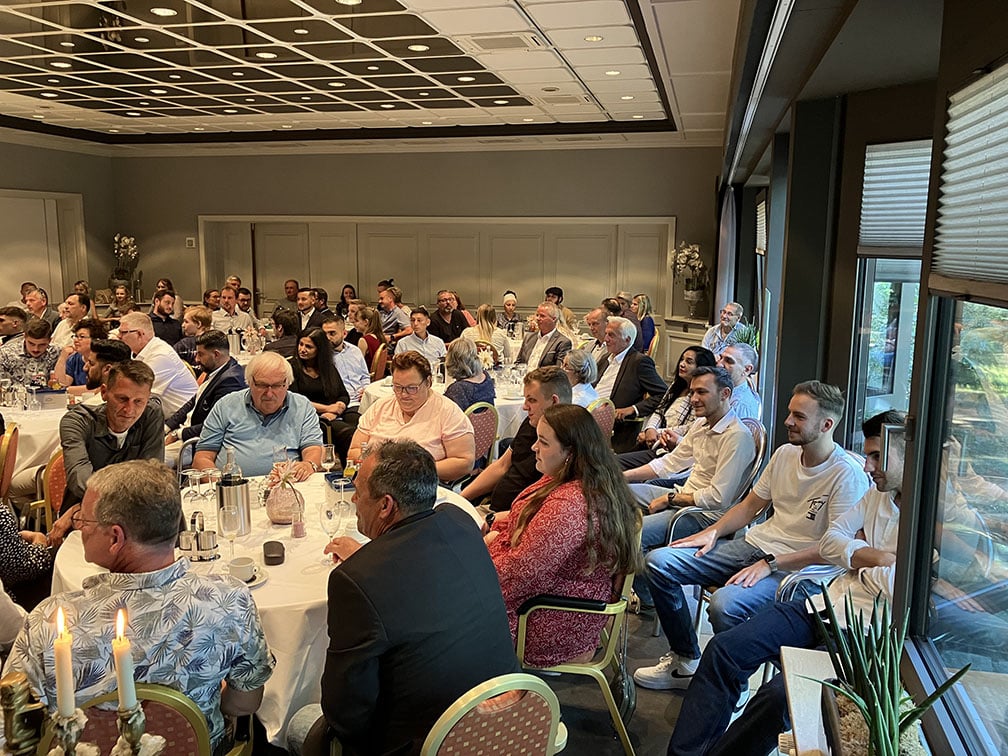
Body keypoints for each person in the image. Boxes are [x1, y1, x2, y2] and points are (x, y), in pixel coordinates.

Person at [665, 410, 907, 756]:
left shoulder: (925, 517)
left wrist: (857, 558)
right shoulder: (877, 495)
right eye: (867, 455)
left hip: (866, 633)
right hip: (825, 604)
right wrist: (877, 557)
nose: (868, 466)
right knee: (723, 650)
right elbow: (830, 543)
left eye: (877, 456)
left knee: (779, 694)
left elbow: (897, 587)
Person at [5, 459, 274, 754]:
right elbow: (245, 703)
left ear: (115, 538)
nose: (79, 528)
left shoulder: (51, 622)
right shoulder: (229, 599)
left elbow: (9, 732)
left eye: (83, 520)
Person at [634, 380, 870, 691]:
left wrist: (771, 564)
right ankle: (685, 659)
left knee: (724, 605)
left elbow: (833, 550)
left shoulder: (846, 475)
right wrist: (712, 532)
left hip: (798, 570)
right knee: (659, 562)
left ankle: (732, 683)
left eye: (799, 416)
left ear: (827, 425)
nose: (788, 421)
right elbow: (749, 506)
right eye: (790, 412)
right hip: (754, 546)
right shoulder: (785, 454)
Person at [289, 441, 518, 756]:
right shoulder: (461, 521)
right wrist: (369, 557)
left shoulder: (355, 581)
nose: (353, 499)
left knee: (300, 722)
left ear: (385, 505)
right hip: (510, 720)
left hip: (427, 744)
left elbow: (345, 715)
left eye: (358, 492)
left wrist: (366, 563)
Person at [486, 403, 642, 666]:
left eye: (544, 442)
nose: (534, 447)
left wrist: (478, 569)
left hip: (550, 616)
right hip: (552, 596)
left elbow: (524, 574)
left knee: (449, 607)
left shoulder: (570, 504)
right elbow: (525, 523)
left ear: (571, 452)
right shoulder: (572, 477)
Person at [624, 367, 757, 609]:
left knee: (632, 536)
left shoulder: (737, 437)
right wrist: (622, 477)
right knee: (617, 493)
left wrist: (670, 499)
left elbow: (717, 498)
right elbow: (669, 464)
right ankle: (615, 577)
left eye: (702, 392)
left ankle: (650, 599)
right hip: (683, 496)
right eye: (693, 392)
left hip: (704, 515)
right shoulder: (701, 425)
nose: (693, 398)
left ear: (725, 394)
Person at [51, 360, 164, 542]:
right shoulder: (76, 422)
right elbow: (81, 481)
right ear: (104, 392)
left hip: (134, 514)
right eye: (122, 399)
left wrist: (77, 509)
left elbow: (152, 479)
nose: (129, 410)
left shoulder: (151, 414)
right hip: (85, 517)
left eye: (138, 401)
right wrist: (78, 509)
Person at [194, 351, 323, 479]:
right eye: (262, 385)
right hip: (234, 487)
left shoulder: (302, 407)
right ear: (249, 382)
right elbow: (202, 457)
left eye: (277, 385)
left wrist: (308, 465)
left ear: (288, 383)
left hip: (288, 485)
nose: (269, 394)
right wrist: (222, 484)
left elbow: (313, 449)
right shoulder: (226, 405)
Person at [349, 351, 475, 482]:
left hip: (423, 484)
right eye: (398, 387)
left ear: (428, 382)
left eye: (412, 388)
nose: (403, 395)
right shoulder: (380, 407)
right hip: (375, 480)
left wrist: (413, 471)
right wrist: (380, 468)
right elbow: (354, 450)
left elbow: (464, 462)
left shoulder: (448, 411)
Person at [461, 366, 572, 513]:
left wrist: (493, 519)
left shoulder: (566, 441)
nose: (525, 407)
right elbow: (502, 465)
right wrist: (461, 499)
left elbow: (543, 504)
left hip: (511, 517)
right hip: (493, 508)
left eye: (532, 400)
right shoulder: (531, 423)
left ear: (554, 401)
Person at [618, 345, 717, 469]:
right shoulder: (676, 386)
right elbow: (659, 411)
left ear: (701, 367)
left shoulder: (701, 397)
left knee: (616, 464)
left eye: (689, 362)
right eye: (682, 359)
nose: (682, 364)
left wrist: (657, 433)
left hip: (671, 450)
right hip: (655, 442)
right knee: (610, 461)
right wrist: (650, 429)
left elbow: (690, 427)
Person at [594, 316, 668, 452]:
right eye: (606, 334)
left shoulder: (639, 362)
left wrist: (633, 409)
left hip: (614, 426)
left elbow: (663, 394)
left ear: (627, 340)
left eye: (611, 335)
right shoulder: (605, 358)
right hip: (591, 413)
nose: (605, 339)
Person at [164, 330, 246, 445]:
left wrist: (177, 434)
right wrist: (167, 427)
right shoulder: (217, 368)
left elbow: (215, 424)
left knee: (152, 454)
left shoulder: (231, 381)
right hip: (187, 430)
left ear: (216, 354)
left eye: (200, 354)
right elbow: (193, 402)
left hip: (197, 441)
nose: (196, 359)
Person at [289, 328, 356, 463]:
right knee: (348, 433)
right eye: (301, 344)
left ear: (320, 349)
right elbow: (295, 400)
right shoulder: (292, 367)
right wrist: (328, 409)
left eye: (308, 347)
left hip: (334, 413)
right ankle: (349, 469)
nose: (302, 349)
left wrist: (338, 408)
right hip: (310, 416)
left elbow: (343, 395)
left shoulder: (327, 367)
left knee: (360, 423)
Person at [117, 312, 198, 418]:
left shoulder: (161, 356)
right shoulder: (140, 352)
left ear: (140, 334)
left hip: (182, 420)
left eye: (123, 332)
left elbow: (134, 394)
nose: (119, 336)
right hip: (165, 416)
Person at [321, 313, 370, 410]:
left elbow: (365, 376)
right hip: (343, 403)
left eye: (332, 333)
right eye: (324, 334)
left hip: (362, 398)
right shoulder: (322, 357)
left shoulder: (355, 351)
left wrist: (365, 389)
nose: (327, 338)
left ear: (344, 334)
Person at [0, 317, 57, 387]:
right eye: (31, 343)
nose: (36, 349)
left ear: (50, 340)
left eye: (42, 344)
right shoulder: (5, 353)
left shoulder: (56, 353)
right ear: (24, 337)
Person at [515, 302, 572, 369]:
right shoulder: (528, 337)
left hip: (544, 375)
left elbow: (558, 371)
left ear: (554, 319)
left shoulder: (562, 342)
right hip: (524, 374)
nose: (538, 318)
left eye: (542, 316)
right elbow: (518, 363)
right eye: (537, 315)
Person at [444, 337, 495, 411]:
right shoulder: (486, 378)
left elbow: (444, 411)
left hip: (463, 418)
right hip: (489, 418)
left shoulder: (459, 389)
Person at [54, 317, 108, 388]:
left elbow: (98, 388)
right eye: (76, 336)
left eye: (81, 337)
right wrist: (63, 357)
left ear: (96, 340)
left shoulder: (104, 358)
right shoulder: (74, 358)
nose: (76, 340)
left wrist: (68, 390)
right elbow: (63, 382)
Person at [717, 342, 762, 419]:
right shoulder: (727, 393)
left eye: (729, 361)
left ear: (747, 369)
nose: (719, 364)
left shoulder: (741, 405)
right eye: (721, 358)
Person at [173, 305, 212, 369]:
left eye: (186, 322)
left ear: (198, 324)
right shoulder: (215, 342)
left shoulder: (184, 344)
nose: (183, 325)